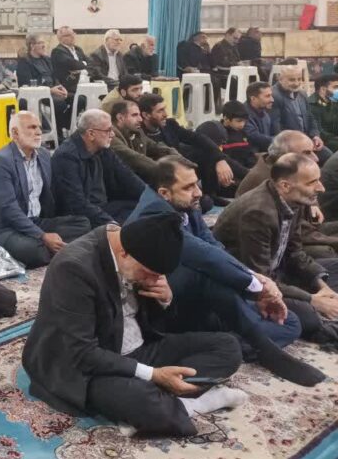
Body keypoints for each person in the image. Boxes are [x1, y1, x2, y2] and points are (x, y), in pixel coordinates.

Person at [22, 211, 246, 438]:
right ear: (124, 253)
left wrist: (165, 299)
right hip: (85, 365)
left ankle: (156, 401)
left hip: (138, 349)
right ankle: (191, 404)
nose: (152, 280)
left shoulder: (140, 253)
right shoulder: (73, 268)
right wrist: (153, 374)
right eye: (149, 274)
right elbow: (82, 352)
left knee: (227, 347)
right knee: (140, 400)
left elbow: (158, 325)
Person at [128, 158, 322, 386]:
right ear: (164, 193)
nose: (198, 192)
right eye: (189, 187)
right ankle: (260, 347)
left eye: (197, 184)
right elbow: (204, 256)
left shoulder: (184, 204)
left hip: (202, 302)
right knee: (207, 274)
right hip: (166, 308)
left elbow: (211, 243)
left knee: (293, 322)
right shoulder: (153, 214)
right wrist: (256, 286)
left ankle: (230, 342)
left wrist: (254, 278)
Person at [213, 154, 338, 344]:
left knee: (332, 267)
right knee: (308, 317)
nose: (321, 187)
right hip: (250, 285)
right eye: (312, 182)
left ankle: (325, 305)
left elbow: (295, 253)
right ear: (285, 185)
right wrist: (313, 299)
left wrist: (322, 286)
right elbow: (260, 278)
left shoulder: (293, 200)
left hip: (277, 273)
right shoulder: (258, 212)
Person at [0, 112, 90, 268]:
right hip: (4, 228)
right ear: (15, 133)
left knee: (83, 224)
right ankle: (53, 248)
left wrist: (51, 228)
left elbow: (50, 197)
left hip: (35, 221)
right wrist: (42, 236)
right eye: (32, 127)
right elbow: (9, 210)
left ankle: (52, 248)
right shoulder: (1, 162)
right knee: (34, 251)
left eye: (39, 127)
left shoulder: (43, 155)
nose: (38, 132)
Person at [51, 108, 145, 225]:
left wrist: (152, 198)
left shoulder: (102, 148)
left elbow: (127, 176)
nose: (113, 134)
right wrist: (111, 223)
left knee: (146, 208)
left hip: (104, 207)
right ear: (91, 134)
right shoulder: (66, 157)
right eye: (108, 130)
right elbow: (75, 203)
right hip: (83, 217)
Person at [138, 93, 236, 202]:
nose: (166, 114)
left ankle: (212, 194)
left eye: (164, 109)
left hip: (182, 168)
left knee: (207, 153)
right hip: (161, 177)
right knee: (204, 202)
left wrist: (220, 159)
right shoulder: (139, 134)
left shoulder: (170, 125)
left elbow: (198, 138)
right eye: (160, 111)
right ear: (146, 115)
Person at [109, 100, 178, 186]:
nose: (140, 119)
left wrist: (184, 163)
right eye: (134, 115)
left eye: (139, 115)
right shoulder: (111, 136)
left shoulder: (136, 131)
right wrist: (169, 173)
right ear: (120, 118)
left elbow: (157, 147)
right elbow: (134, 158)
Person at [273, 66, 332, 162]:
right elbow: (276, 128)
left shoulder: (302, 93)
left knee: (329, 157)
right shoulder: (274, 96)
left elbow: (310, 117)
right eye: (292, 80)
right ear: (280, 78)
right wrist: (299, 143)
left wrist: (315, 136)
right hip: (290, 145)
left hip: (307, 140)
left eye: (299, 79)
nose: (296, 83)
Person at [14, 34, 70, 131]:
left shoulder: (47, 59)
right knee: (60, 104)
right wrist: (50, 90)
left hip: (53, 90)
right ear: (32, 46)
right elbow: (26, 84)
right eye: (40, 43)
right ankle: (57, 132)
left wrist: (61, 87)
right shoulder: (24, 62)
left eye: (44, 43)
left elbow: (54, 77)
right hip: (38, 94)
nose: (44, 46)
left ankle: (65, 126)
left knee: (78, 99)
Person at [197, 101, 258, 177]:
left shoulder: (243, 134)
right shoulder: (218, 134)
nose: (242, 124)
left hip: (246, 173)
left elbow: (249, 154)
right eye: (239, 121)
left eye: (244, 121)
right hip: (228, 174)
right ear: (226, 119)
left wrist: (253, 168)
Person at [51, 25, 97, 93]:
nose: (72, 36)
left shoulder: (78, 49)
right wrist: (84, 63)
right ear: (60, 38)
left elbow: (91, 63)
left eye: (73, 34)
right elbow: (73, 65)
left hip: (85, 82)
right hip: (69, 85)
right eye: (68, 35)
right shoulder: (57, 51)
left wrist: (84, 70)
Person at [244, 81, 279, 152]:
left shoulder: (264, 112)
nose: (272, 99)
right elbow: (254, 137)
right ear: (253, 98)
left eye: (271, 95)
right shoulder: (243, 114)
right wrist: (280, 141)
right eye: (267, 96)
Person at [308, 74, 338, 153]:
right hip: (322, 143)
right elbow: (319, 131)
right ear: (323, 89)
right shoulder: (312, 105)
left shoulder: (334, 101)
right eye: (335, 87)